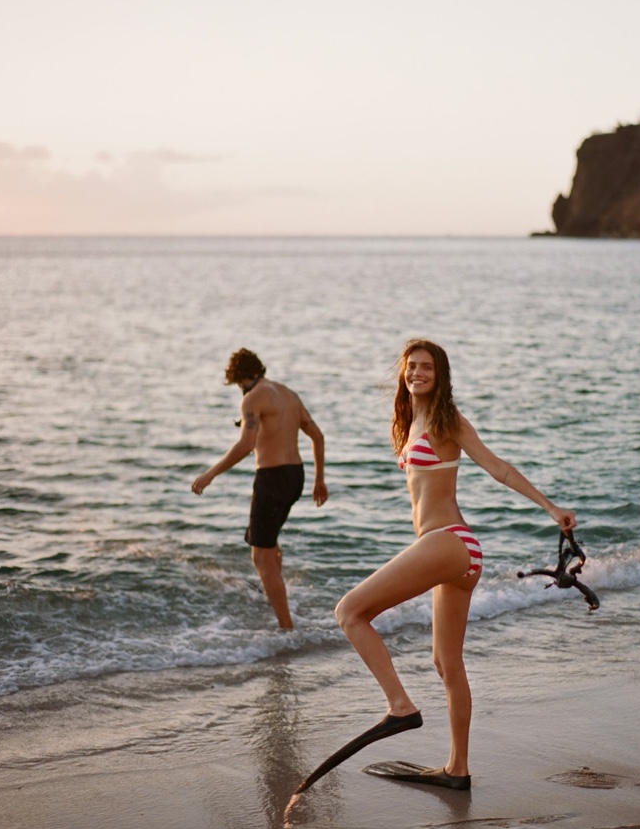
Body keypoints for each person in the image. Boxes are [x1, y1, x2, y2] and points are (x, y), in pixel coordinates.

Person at [333, 339, 576, 790]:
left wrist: (550, 507)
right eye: (411, 367)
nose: (417, 374)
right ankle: (457, 769)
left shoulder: (448, 421)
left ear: (440, 375)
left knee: (349, 612)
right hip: (457, 553)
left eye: (426, 368)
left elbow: (497, 468)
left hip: (448, 541)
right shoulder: (409, 420)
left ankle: (400, 707)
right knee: (446, 663)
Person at [191, 348, 328, 630]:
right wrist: (319, 480)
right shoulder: (288, 393)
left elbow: (246, 445)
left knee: (260, 555)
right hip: (296, 476)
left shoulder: (253, 398)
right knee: (268, 542)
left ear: (239, 378)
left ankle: (286, 627)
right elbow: (317, 435)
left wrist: (210, 474)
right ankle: (276, 598)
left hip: (273, 478)